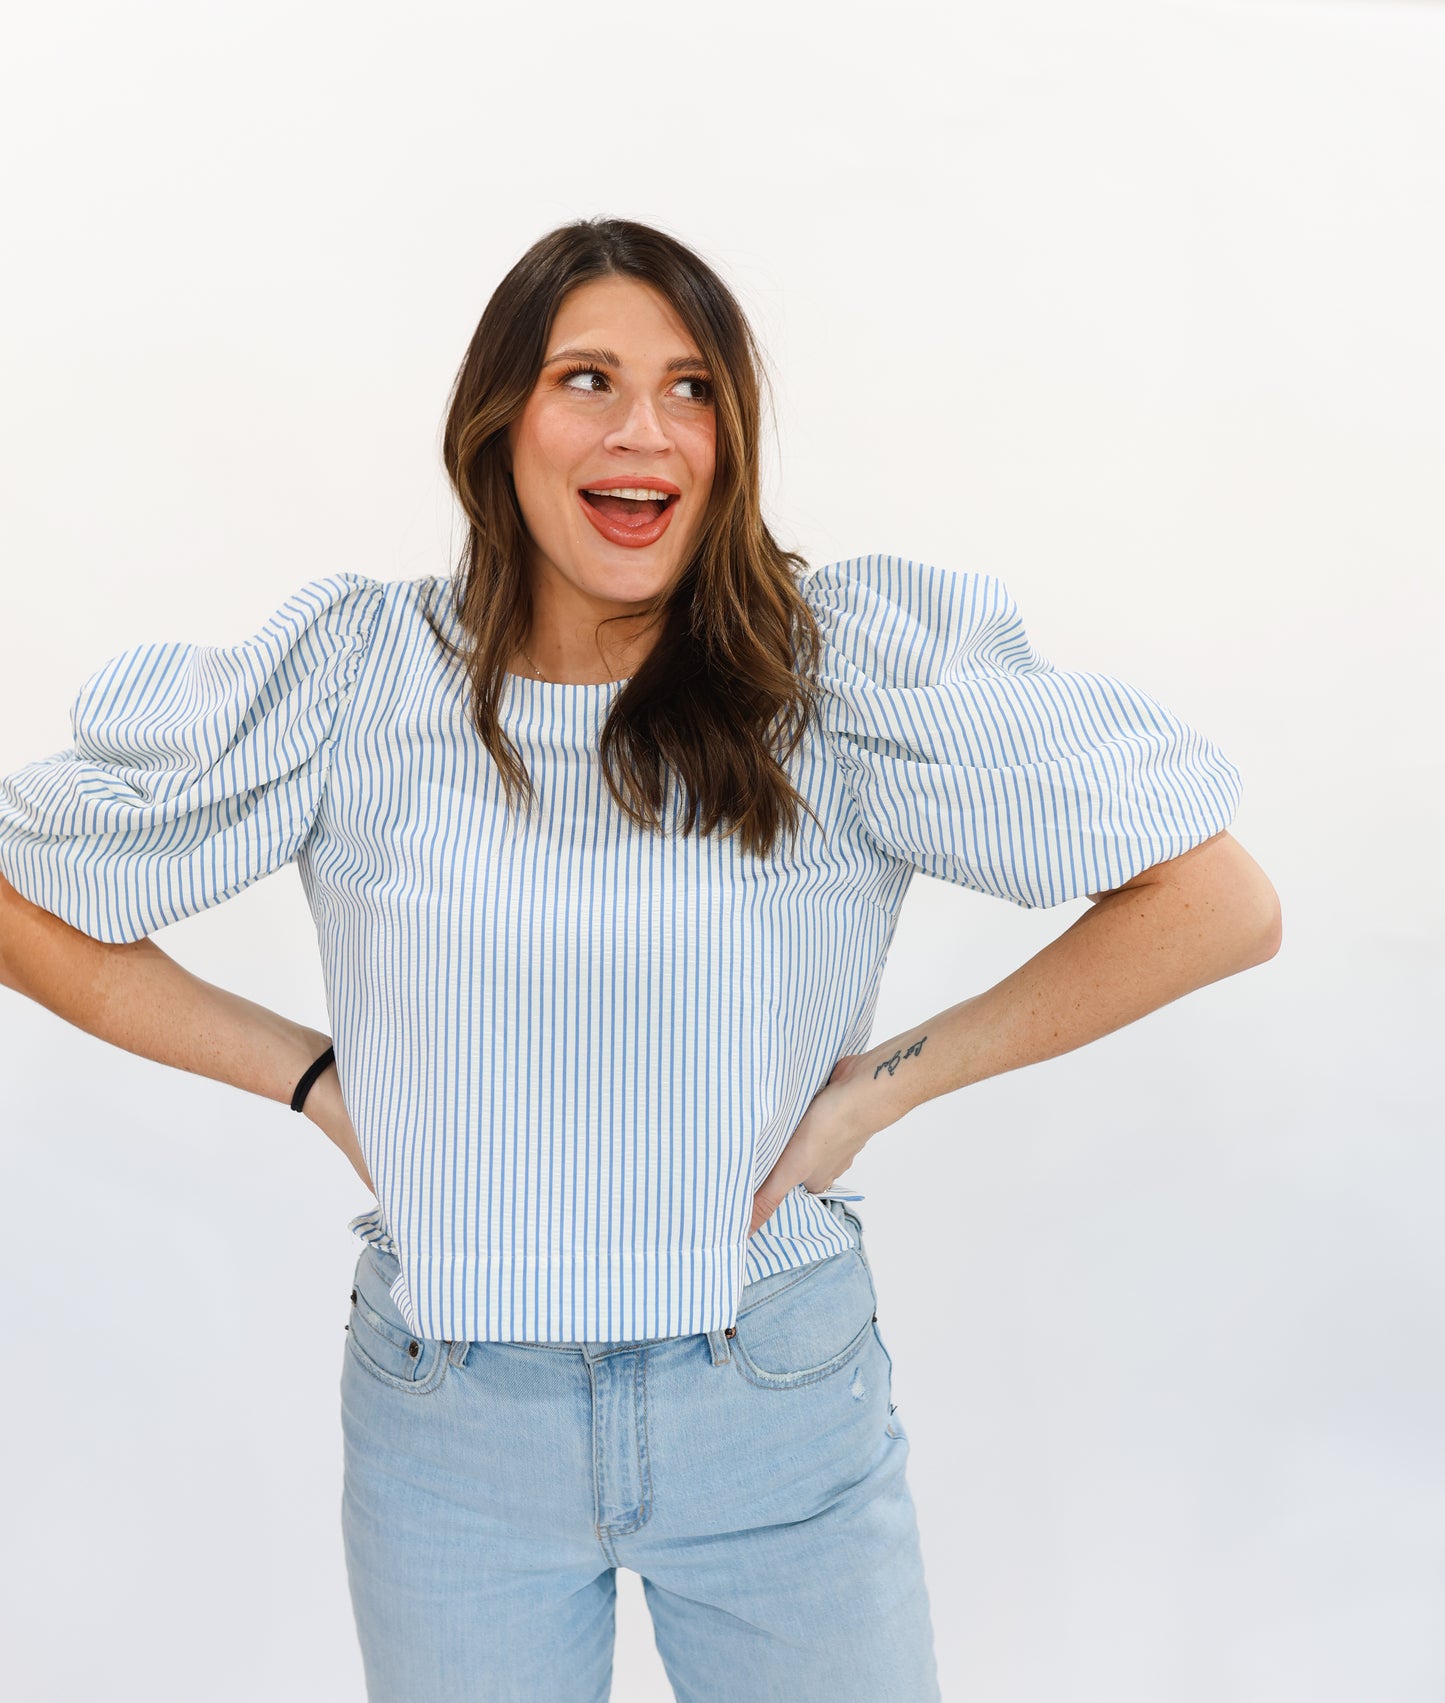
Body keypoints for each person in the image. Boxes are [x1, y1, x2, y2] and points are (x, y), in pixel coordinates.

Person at [0, 216, 1281, 1702]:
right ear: (500, 423)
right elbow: (30, 892)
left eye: (691, 388)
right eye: (587, 379)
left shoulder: (824, 671)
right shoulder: (361, 674)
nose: (645, 431)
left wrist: (878, 1088)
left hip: (773, 1389)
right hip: (451, 1417)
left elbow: (1214, 899)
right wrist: (313, 1079)